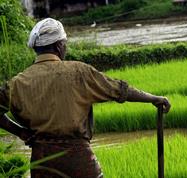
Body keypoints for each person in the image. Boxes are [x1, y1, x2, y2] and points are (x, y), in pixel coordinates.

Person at [0, 18, 171, 178]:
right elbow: (120, 90)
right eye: (64, 43)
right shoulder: (79, 72)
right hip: (77, 157)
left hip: (41, 160)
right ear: (59, 46)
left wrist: (20, 132)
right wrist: (153, 98)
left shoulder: (18, 82)